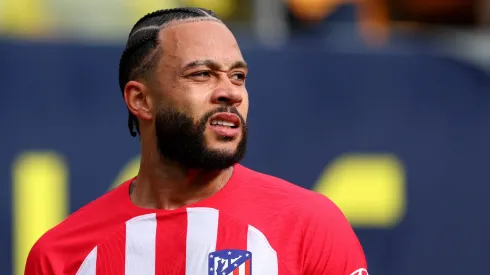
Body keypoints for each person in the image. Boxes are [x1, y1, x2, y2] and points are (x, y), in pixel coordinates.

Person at [24, 7, 368, 275]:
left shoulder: (311, 227)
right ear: (140, 100)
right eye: (202, 74)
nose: (230, 92)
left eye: (237, 76)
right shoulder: (61, 256)